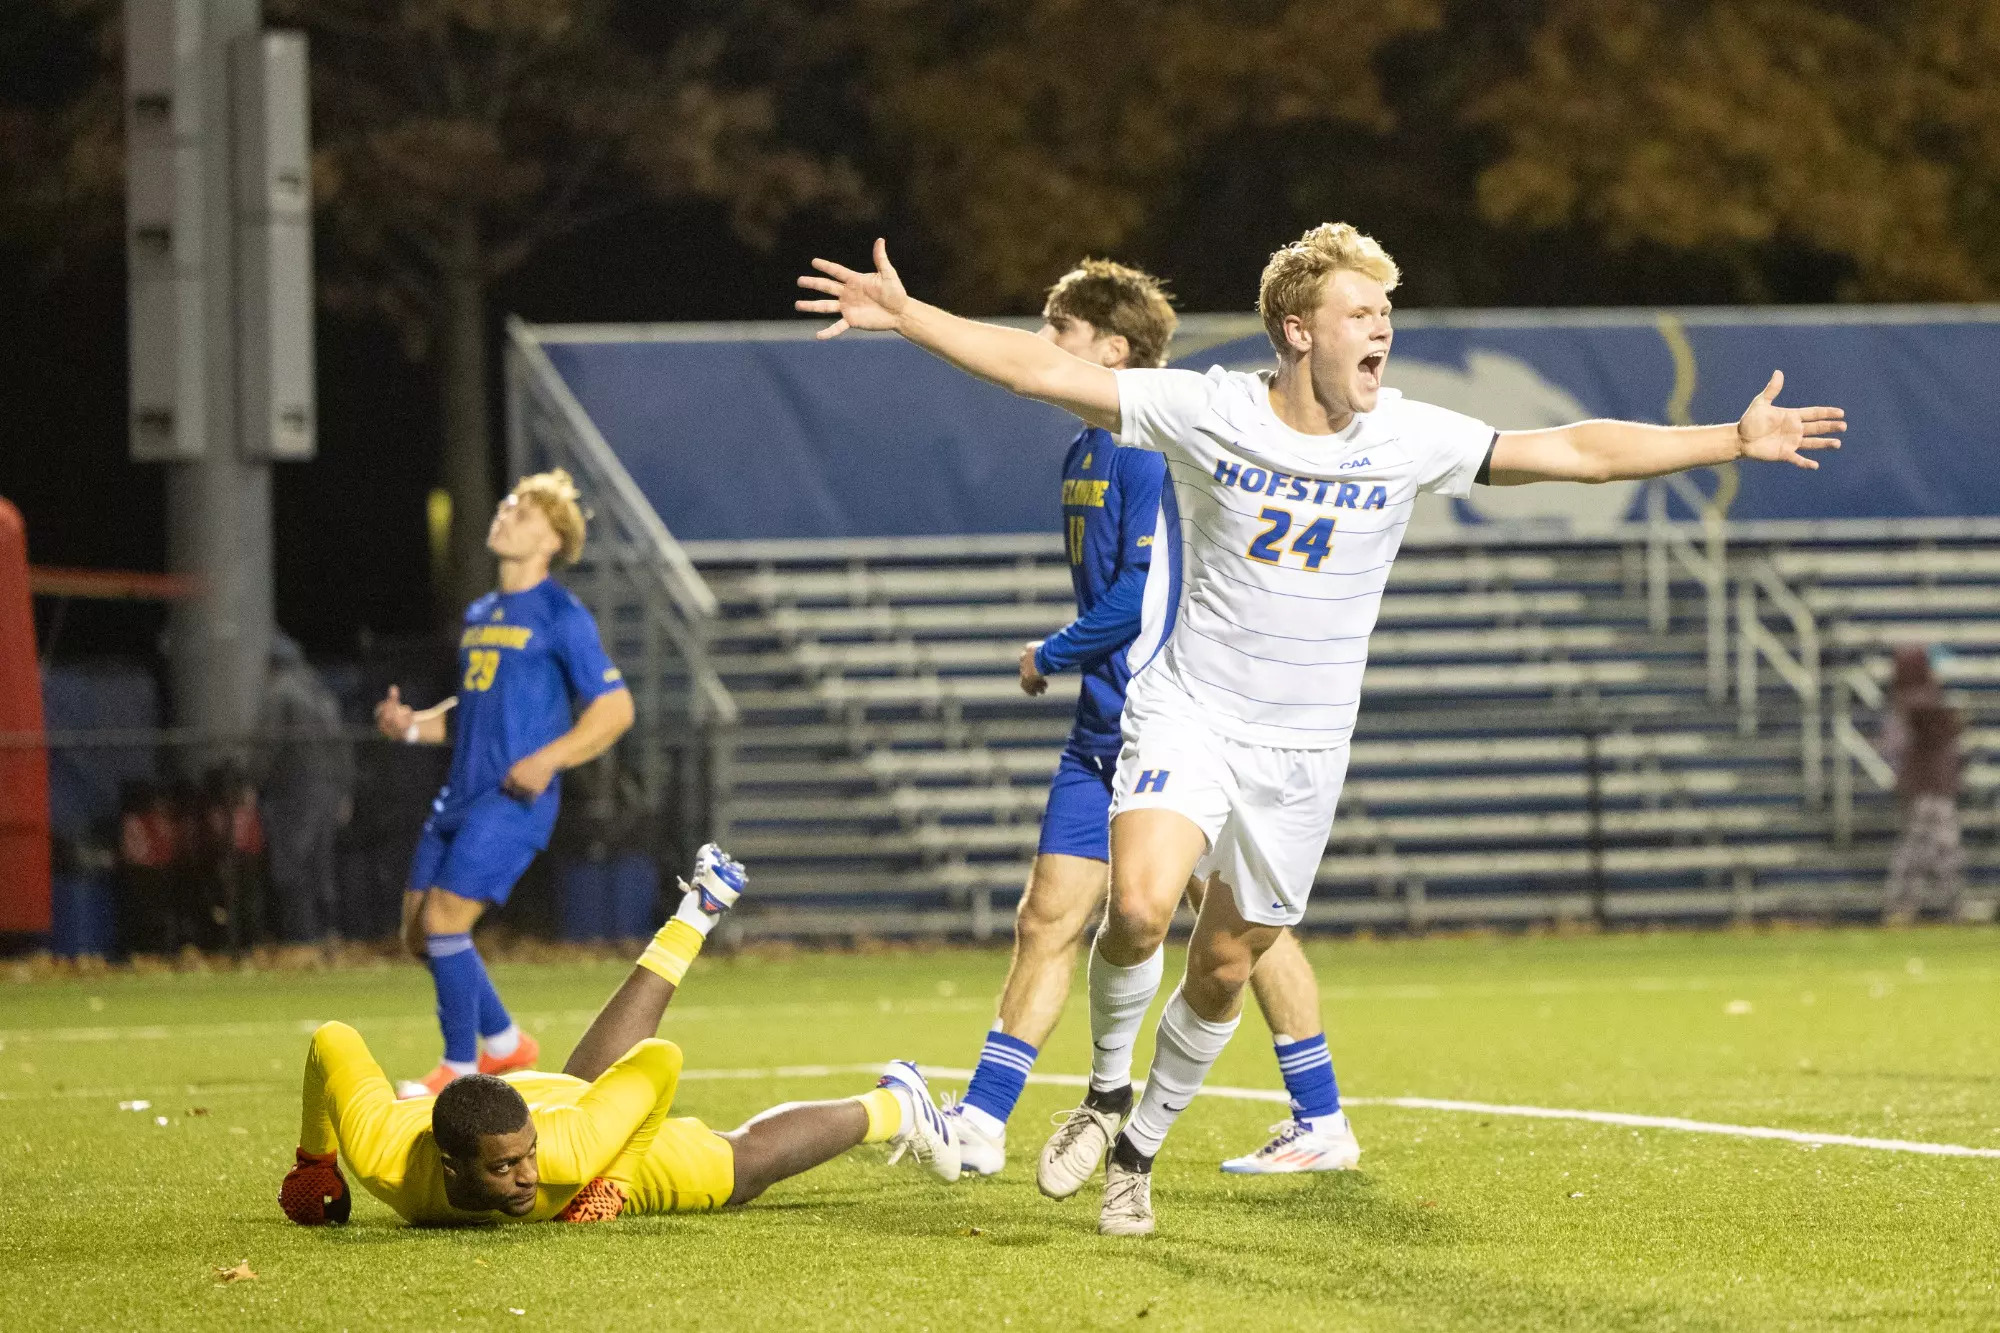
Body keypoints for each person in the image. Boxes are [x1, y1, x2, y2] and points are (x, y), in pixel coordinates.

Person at [796, 225, 1845, 1235]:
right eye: (1359, 310)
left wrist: (1726, 439)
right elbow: (1036, 372)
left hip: (1300, 752)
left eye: (1385, 311)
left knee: (1220, 968)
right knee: (1139, 904)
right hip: (1190, 711)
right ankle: (1105, 1088)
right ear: (1298, 329)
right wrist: (911, 314)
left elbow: (1572, 450)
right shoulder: (1208, 411)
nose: (1380, 328)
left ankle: (1136, 1148)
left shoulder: (1406, 436)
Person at [946, 259, 1358, 1180]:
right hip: (1105, 726)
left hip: (1178, 728)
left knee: (1246, 925)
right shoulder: (1085, 449)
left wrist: (1049, 652)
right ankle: (981, 1116)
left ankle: (1319, 1113)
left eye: (1061, 332)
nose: (1047, 347)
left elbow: (1138, 595)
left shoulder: (1145, 446)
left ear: (1113, 350)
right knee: (1047, 914)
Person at [278, 845, 961, 1227]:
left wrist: (613, 1179)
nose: (527, 1175)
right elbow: (331, 1041)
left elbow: (658, 1064)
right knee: (579, 1087)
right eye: (505, 1168)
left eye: (525, 1156)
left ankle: (897, 1104)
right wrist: (320, 1161)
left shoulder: (566, 1156)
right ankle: (699, 908)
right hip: (554, 1104)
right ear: (450, 1166)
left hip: (581, 1134)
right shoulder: (384, 1154)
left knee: (741, 1164)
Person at [373, 470, 636, 1097]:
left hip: (513, 801)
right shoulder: (482, 614)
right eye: (506, 506)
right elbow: (472, 713)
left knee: (444, 922)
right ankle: (505, 1044)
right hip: (459, 795)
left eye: (521, 511)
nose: (505, 515)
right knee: (419, 934)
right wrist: (412, 727)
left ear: (551, 540)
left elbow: (615, 708)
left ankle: (459, 1070)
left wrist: (550, 759)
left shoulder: (560, 614)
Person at [258, 632, 354, 943]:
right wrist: (344, 792)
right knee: (322, 867)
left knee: (292, 866)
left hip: (294, 793)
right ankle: (330, 935)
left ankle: (301, 939)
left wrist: (250, 781)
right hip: (328, 792)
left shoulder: (280, 692)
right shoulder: (321, 692)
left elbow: (268, 746)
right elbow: (343, 746)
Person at [1880, 645, 1964, 923]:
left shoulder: (1904, 701)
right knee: (1936, 846)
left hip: (1924, 786)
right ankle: (1940, 904)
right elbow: (1944, 728)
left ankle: (1906, 905)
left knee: (1925, 847)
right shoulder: (1919, 700)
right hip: (1929, 786)